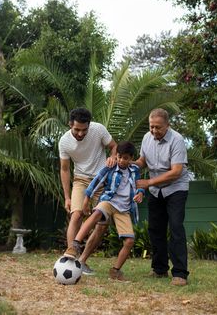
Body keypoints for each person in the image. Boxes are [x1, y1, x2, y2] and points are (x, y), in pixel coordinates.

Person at [64, 141, 145, 281]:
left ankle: (115, 271)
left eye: (125, 158)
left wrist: (140, 193)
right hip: (109, 201)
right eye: (119, 156)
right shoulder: (110, 167)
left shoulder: (135, 170)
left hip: (124, 209)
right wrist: (85, 202)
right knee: (97, 213)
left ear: (131, 158)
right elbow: (94, 183)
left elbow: (139, 185)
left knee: (130, 241)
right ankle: (75, 245)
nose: (121, 160)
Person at [58, 107, 117, 275]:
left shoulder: (98, 130)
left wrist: (112, 156)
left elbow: (113, 146)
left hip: (101, 180)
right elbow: (64, 169)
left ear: (89, 126)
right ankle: (71, 258)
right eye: (76, 129)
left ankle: (82, 261)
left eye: (84, 130)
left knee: (102, 224)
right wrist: (67, 197)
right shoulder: (64, 142)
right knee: (76, 214)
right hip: (80, 180)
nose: (80, 134)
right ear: (70, 124)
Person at [136, 108, 189, 286]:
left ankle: (180, 273)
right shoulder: (146, 138)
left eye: (158, 127)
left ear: (168, 125)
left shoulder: (177, 140)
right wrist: (130, 164)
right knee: (155, 229)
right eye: (151, 127)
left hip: (176, 188)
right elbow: (143, 161)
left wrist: (148, 183)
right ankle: (159, 269)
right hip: (155, 190)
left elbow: (176, 172)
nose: (154, 131)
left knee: (175, 227)